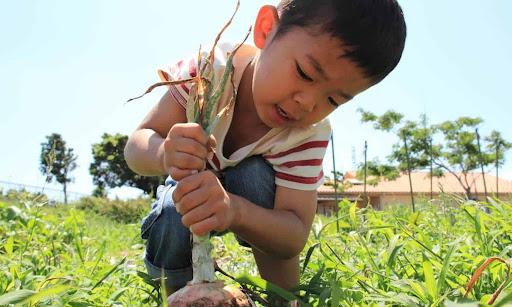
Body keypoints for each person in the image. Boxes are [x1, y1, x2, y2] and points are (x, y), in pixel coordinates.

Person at [124, 0, 406, 295]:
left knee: (254, 176)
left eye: (334, 100)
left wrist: (235, 211)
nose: (308, 103)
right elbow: (137, 144)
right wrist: (163, 152)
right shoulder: (209, 72)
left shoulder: (304, 136)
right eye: (306, 73)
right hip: (188, 193)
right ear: (266, 29)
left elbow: (293, 233)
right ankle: (176, 294)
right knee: (173, 210)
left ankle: (283, 298)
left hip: (251, 210)